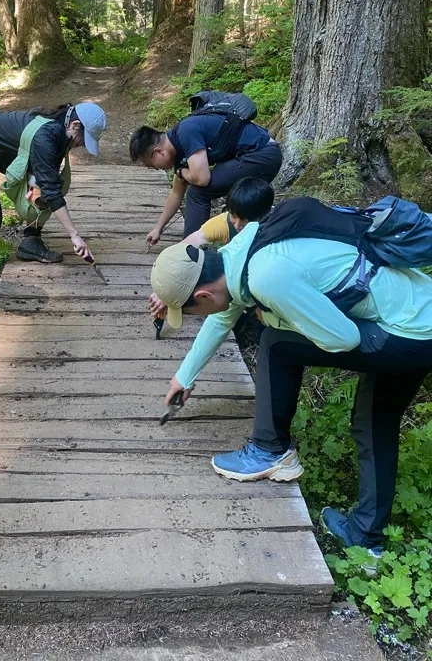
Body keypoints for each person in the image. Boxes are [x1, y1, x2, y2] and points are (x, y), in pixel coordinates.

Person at [149, 209, 432, 558]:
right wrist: (185, 375)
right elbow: (226, 311)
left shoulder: (267, 277)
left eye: (191, 313)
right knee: (375, 421)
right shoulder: (242, 251)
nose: (198, 317)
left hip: (403, 331)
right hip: (420, 312)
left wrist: (270, 316)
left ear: (203, 295)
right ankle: (367, 539)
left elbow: (342, 338)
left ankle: (270, 450)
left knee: (276, 343)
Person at [0, 102, 107, 297]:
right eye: (83, 139)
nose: (83, 145)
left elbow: (48, 184)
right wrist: (74, 235)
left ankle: (30, 242)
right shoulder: (46, 137)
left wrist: (39, 191)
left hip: (0, 152)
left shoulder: (60, 131)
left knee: (44, 193)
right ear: (75, 125)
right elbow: (51, 192)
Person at [129, 112, 281, 243]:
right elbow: (176, 192)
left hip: (262, 154)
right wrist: (158, 229)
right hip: (255, 155)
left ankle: (190, 251)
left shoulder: (186, 132)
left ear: (158, 151)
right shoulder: (177, 145)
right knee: (203, 189)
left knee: (198, 192)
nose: (155, 168)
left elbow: (202, 178)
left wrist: (182, 173)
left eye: (151, 164)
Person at [149, 177, 274, 318]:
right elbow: (185, 247)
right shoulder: (224, 223)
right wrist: (169, 287)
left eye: (246, 220)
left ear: (265, 216)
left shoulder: (271, 234)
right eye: (233, 216)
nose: (238, 225)